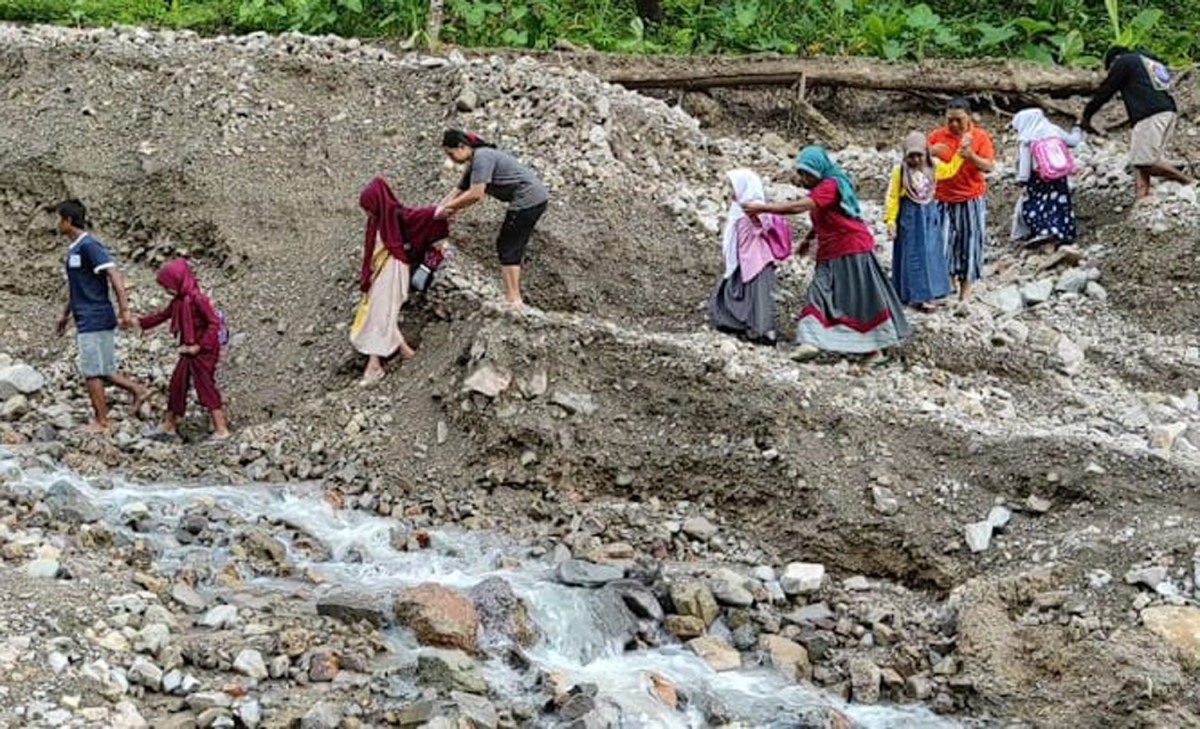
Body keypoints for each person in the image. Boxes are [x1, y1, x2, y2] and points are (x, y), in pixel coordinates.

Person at [744, 146, 911, 365]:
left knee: (857, 299)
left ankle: (874, 349)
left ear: (819, 170)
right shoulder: (822, 189)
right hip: (831, 250)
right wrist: (808, 239)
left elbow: (800, 207)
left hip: (851, 249)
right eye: (801, 174)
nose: (803, 179)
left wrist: (764, 208)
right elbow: (824, 215)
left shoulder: (830, 186)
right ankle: (810, 341)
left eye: (807, 174)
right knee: (818, 291)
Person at [54, 199, 148, 434]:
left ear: (68, 220)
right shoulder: (74, 249)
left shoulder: (89, 246)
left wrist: (124, 310)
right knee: (104, 368)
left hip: (94, 316)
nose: (57, 223)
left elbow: (114, 274)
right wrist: (65, 316)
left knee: (91, 371)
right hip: (87, 315)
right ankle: (138, 390)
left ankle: (101, 421)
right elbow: (77, 287)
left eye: (59, 219)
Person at [351, 177, 449, 386]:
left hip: (393, 271)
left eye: (369, 208)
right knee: (381, 314)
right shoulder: (376, 220)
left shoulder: (396, 215)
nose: (368, 214)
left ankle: (374, 365)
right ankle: (405, 352)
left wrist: (443, 210)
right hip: (380, 274)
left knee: (382, 314)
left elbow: (420, 217)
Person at [438, 130, 548, 310]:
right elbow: (457, 192)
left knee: (509, 245)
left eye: (451, 154)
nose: (451, 159)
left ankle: (514, 299)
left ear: (462, 146)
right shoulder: (475, 162)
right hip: (532, 197)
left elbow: (475, 194)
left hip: (529, 198)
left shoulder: (482, 157)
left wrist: (446, 209)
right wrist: (434, 212)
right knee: (508, 244)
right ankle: (513, 298)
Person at [1081, 47, 1192, 200]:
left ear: (1114, 60)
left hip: (1150, 114)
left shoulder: (1124, 61)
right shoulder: (1149, 62)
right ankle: (1142, 198)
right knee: (1140, 160)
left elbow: (1106, 90)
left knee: (1144, 161)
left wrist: (1086, 115)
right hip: (1167, 111)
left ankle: (1189, 182)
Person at [138, 259, 230, 442]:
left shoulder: (198, 299)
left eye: (169, 286)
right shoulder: (179, 301)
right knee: (177, 385)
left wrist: (199, 346)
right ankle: (169, 425)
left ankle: (221, 429)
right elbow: (163, 316)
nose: (167, 290)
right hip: (188, 350)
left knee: (205, 386)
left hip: (204, 351)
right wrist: (139, 323)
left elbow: (213, 323)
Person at [708, 168, 791, 345]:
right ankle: (735, 324)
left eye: (733, 187)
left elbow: (765, 223)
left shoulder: (754, 206)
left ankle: (763, 333)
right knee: (735, 292)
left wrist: (757, 213)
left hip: (757, 260)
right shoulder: (738, 208)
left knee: (759, 299)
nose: (731, 191)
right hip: (743, 260)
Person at [883, 132, 962, 312]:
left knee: (931, 252)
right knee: (913, 254)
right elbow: (893, 197)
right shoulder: (900, 172)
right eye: (911, 156)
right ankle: (916, 295)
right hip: (910, 218)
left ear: (926, 152)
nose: (916, 160)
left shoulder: (933, 166)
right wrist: (891, 221)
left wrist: (960, 155)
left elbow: (950, 170)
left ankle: (931, 292)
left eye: (919, 155)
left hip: (929, 215)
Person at [928, 98, 995, 303]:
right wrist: (930, 152)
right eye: (950, 120)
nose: (954, 124)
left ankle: (965, 290)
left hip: (970, 198)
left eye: (959, 120)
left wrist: (971, 156)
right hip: (941, 198)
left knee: (970, 244)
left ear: (969, 118)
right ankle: (946, 284)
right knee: (941, 242)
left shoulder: (980, 137)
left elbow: (989, 166)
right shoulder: (936, 136)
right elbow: (916, 161)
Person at [1010, 108, 1083, 249]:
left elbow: (1025, 163)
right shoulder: (1054, 129)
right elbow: (1073, 142)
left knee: (1037, 204)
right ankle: (1063, 231)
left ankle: (1043, 231)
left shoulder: (1027, 137)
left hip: (1038, 178)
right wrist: (1077, 129)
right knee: (1059, 203)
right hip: (1057, 175)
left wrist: (1022, 179)